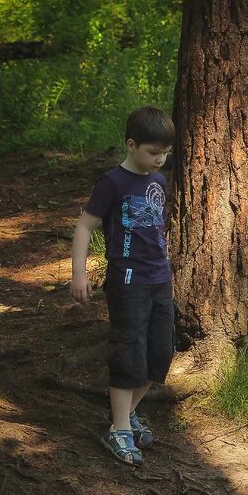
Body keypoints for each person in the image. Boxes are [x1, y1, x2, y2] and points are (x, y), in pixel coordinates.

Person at [70, 106, 175, 467]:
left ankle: (126, 415)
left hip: (160, 281)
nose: (160, 159)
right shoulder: (112, 182)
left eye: (165, 153)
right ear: (132, 145)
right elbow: (84, 227)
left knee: (160, 354)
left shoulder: (158, 181)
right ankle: (119, 430)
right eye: (152, 152)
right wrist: (79, 274)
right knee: (128, 355)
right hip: (127, 284)